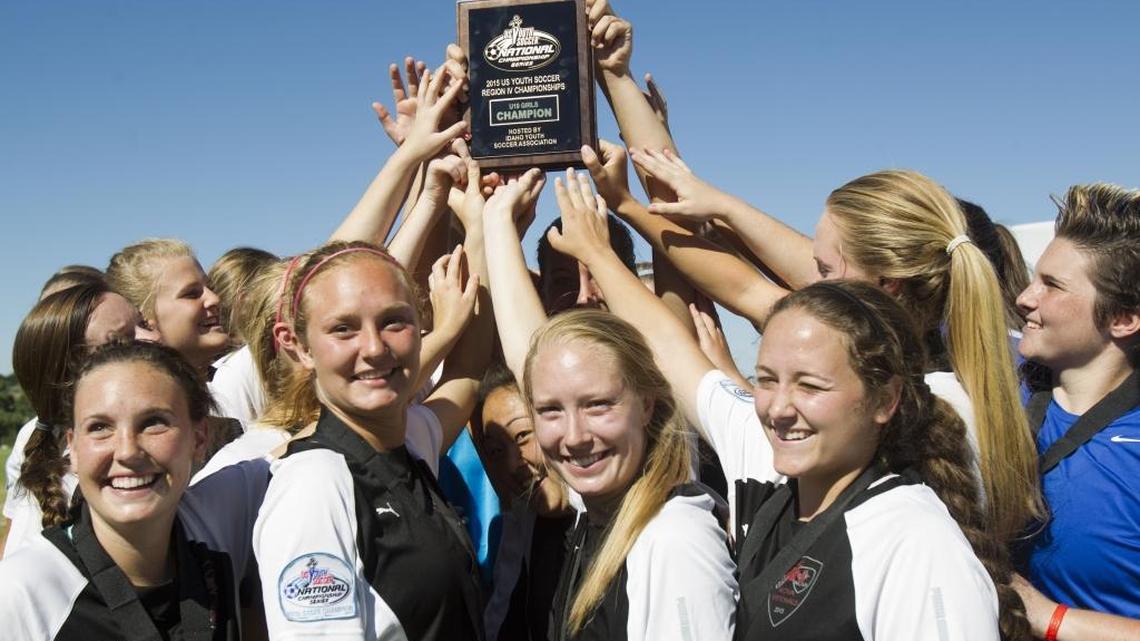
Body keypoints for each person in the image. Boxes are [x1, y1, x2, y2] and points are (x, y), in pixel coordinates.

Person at [593, 147, 1040, 543]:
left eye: (824, 270)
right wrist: (643, 205)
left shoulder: (895, 419)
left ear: (888, 286)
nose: (811, 285)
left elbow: (724, 310)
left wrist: (609, 233)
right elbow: (745, 289)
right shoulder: (973, 383)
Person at [732, 281, 1025, 641]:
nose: (777, 409)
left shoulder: (917, 545)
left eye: (810, 386)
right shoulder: (778, 498)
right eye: (766, 380)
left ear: (885, 399)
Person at [254, 239, 487, 640]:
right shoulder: (315, 485)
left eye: (394, 321)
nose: (375, 348)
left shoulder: (407, 445)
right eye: (343, 329)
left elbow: (466, 374)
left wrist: (486, 223)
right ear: (298, 346)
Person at [0, 340, 265, 640]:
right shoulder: (21, 596)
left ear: (200, 438)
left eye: (153, 423)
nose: (127, 451)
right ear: (72, 448)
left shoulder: (218, 557)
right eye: (99, 427)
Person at [523, 307, 736, 641]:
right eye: (551, 410)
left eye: (598, 404)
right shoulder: (596, 511)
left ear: (646, 404)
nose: (575, 436)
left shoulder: (673, 540)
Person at [1014, 183, 1140, 640]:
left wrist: (1048, 618)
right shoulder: (998, 381)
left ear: (1122, 319)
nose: (1025, 298)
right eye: (1035, 278)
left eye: (1052, 286)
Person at [3, 282, 159, 556]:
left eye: (143, 323)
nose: (153, 338)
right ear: (70, 378)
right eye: (120, 342)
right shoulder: (102, 484)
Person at [470, 363, 573, 641]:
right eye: (496, 451)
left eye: (524, 435)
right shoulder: (522, 530)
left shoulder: (636, 527)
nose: (513, 463)